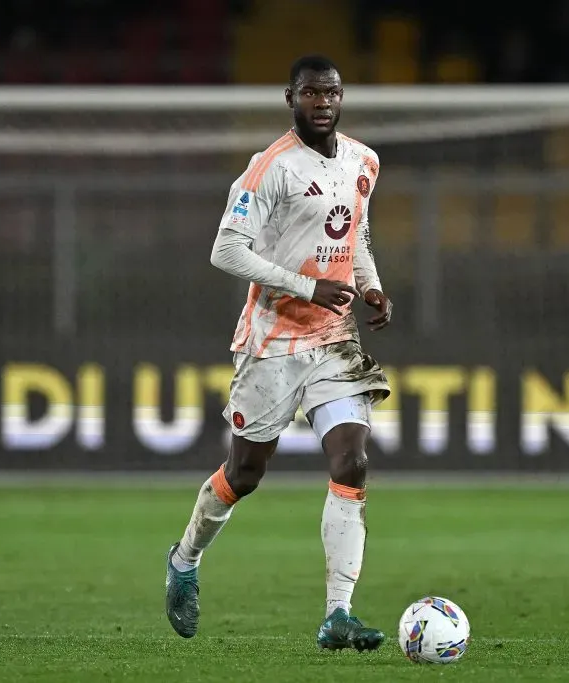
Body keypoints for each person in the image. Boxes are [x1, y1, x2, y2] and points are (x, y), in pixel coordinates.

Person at [164, 54, 393, 652]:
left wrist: (369, 284)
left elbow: (355, 232)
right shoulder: (270, 168)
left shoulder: (364, 161)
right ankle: (184, 559)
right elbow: (225, 250)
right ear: (290, 98)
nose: (323, 102)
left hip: (334, 338)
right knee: (245, 473)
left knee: (352, 462)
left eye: (332, 92)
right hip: (272, 342)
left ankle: (338, 614)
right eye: (311, 93)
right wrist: (306, 286)